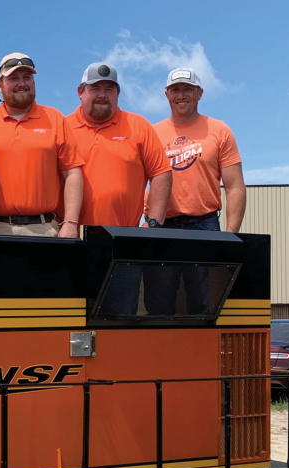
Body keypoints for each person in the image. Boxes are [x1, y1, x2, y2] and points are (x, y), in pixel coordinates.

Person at [68, 63, 171, 316]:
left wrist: (153, 223)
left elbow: (161, 172)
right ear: (80, 92)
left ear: (118, 93)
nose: (103, 94)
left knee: (120, 322)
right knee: (72, 322)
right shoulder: (63, 127)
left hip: (122, 245)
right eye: (95, 88)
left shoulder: (138, 126)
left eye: (109, 89)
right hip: (74, 242)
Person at [144, 67, 247, 316]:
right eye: (176, 90)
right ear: (166, 94)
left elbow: (234, 187)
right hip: (161, 228)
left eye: (188, 89)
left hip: (205, 226)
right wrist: (145, 222)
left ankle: (202, 354)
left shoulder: (219, 130)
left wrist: (230, 236)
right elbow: (137, 182)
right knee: (158, 306)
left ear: (199, 93)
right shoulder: (151, 132)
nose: (181, 95)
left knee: (205, 306)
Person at [0, 53, 83, 237]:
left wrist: (71, 223)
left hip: (43, 229)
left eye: (27, 77)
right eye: (13, 78)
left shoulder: (55, 118)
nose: (21, 83)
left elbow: (73, 173)